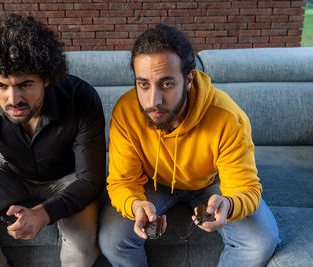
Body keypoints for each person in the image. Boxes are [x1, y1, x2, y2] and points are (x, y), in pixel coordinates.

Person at [98, 24, 279, 266]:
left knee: (261, 241)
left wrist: (229, 203)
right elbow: (122, 181)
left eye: (167, 84)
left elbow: (245, 187)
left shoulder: (227, 117)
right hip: (152, 182)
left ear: (189, 78)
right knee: (112, 240)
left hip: (210, 182)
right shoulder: (126, 111)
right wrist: (134, 204)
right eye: (143, 84)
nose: (154, 101)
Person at [0, 14, 106, 267]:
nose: (13, 99)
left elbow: (91, 179)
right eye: (1, 86)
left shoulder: (81, 97)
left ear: (46, 79)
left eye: (25, 84)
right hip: (8, 168)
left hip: (69, 175)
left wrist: (43, 214)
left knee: (81, 248)